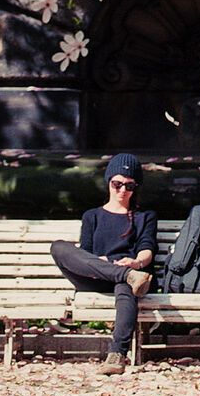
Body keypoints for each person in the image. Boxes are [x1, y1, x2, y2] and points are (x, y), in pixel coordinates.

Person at [49, 152, 158, 373]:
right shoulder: (92, 216)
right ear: (108, 182)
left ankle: (117, 355)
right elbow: (86, 253)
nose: (122, 190)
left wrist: (136, 264)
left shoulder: (144, 217)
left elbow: (148, 248)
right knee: (59, 247)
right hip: (96, 275)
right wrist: (103, 263)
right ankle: (124, 275)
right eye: (117, 184)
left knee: (127, 289)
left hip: (130, 275)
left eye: (129, 186)